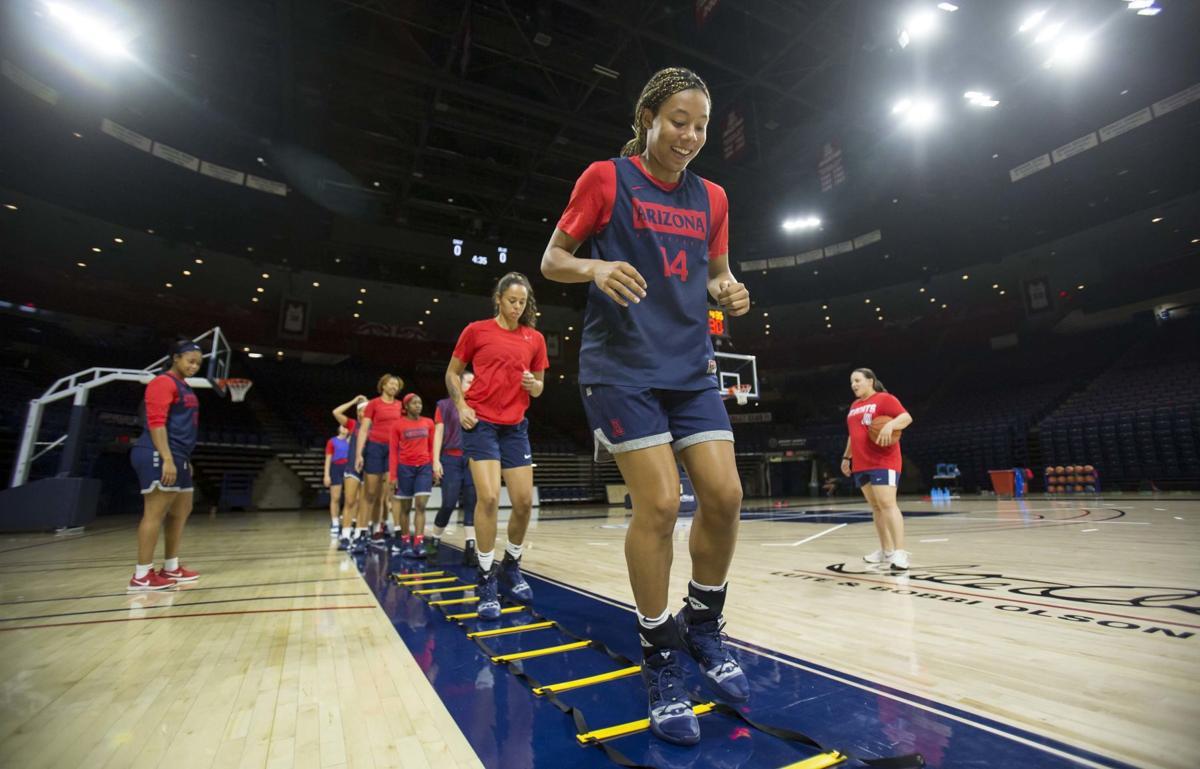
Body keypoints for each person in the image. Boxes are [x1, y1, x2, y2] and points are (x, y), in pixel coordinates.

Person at [540, 67, 750, 746]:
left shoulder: (714, 196)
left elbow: (716, 272)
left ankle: (703, 622)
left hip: (689, 366)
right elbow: (552, 260)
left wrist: (729, 287)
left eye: (700, 125)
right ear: (649, 117)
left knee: (724, 494)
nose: (689, 135)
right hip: (622, 367)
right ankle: (659, 653)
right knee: (659, 504)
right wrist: (596, 269)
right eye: (678, 120)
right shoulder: (605, 179)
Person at [445, 272, 548, 620]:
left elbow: (539, 389)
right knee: (488, 498)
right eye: (512, 301)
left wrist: (533, 383)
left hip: (515, 428)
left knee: (522, 503)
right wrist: (461, 406)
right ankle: (486, 579)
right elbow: (452, 373)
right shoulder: (476, 331)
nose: (518, 307)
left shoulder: (535, 339)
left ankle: (512, 565)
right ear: (499, 299)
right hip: (482, 424)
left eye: (523, 302)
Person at [128, 339, 204, 590]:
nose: (194, 366)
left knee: (182, 510)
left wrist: (184, 460)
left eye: (198, 363)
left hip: (179, 455)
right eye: (190, 361)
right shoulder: (163, 382)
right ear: (176, 358)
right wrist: (168, 458)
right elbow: (156, 423)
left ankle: (171, 567)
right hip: (157, 452)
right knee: (155, 513)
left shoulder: (184, 387)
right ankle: (142, 575)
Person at [841, 368, 914, 571]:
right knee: (876, 508)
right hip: (861, 463)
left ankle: (900, 553)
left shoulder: (884, 399)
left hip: (883, 460)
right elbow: (853, 435)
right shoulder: (854, 405)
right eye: (851, 382)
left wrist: (890, 426)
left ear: (870, 381)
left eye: (857, 380)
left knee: (887, 504)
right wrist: (847, 457)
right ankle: (886, 550)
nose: (854, 385)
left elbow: (906, 418)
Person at [430, 371, 479, 565]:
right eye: (469, 381)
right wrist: (435, 460)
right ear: (458, 382)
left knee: (471, 505)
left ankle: (470, 549)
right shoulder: (443, 405)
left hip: (473, 460)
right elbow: (438, 433)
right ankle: (432, 544)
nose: (472, 385)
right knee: (448, 504)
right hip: (450, 459)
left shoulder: (478, 405)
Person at [354, 374, 404, 544]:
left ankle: (380, 529)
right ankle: (360, 531)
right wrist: (359, 454)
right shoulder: (374, 404)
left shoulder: (400, 405)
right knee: (370, 492)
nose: (394, 387)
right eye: (391, 383)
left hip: (393, 450)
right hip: (375, 448)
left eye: (396, 385)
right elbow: (363, 429)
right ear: (383, 385)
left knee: (391, 492)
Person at [388, 393, 436, 558]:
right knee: (405, 509)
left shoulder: (429, 423)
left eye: (420, 403)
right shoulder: (397, 425)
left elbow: (432, 447)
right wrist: (393, 476)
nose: (418, 405)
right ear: (406, 406)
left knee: (421, 506)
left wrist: (434, 468)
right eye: (414, 403)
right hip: (404, 469)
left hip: (424, 468)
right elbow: (393, 452)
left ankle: (419, 542)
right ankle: (405, 541)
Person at [332, 395, 367, 551]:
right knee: (350, 501)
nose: (366, 413)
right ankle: (345, 536)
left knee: (363, 503)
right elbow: (336, 412)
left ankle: (359, 535)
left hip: (369, 468)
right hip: (352, 468)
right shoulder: (353, 425)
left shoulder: (375, 426)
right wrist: (353, 401)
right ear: (358, 412)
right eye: (363, 410)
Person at [324, 422, 352, 536]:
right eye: (342, 426)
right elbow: (328, 459)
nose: (345, 428)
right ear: (338, 428)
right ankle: (335, 522)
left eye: (347, 427)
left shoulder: (352, 441)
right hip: (336, 468)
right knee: (335, 497)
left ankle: (348, 522)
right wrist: (326, 475)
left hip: (348, 468)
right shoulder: (332, 441)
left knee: (350, 498)